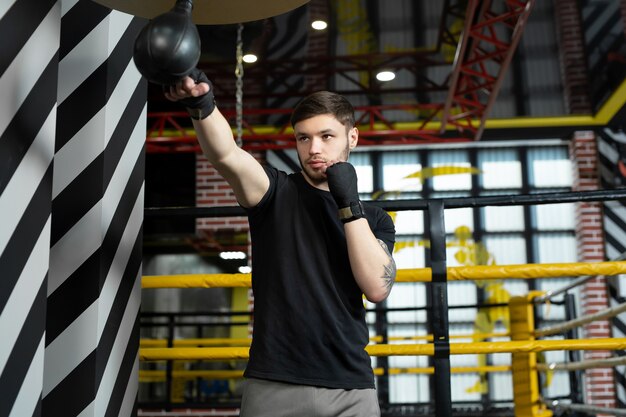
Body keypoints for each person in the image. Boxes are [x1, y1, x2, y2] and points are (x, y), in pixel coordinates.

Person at [164, 69, 397, 417]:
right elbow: (227, 155)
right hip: (274, 382)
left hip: (350, 385)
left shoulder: (375, 220)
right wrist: (202, 104)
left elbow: (377, 287)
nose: (314, 148)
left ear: (353, 137)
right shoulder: (274, 192)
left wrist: (348, 203)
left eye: (326, 136)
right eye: (303, 138)